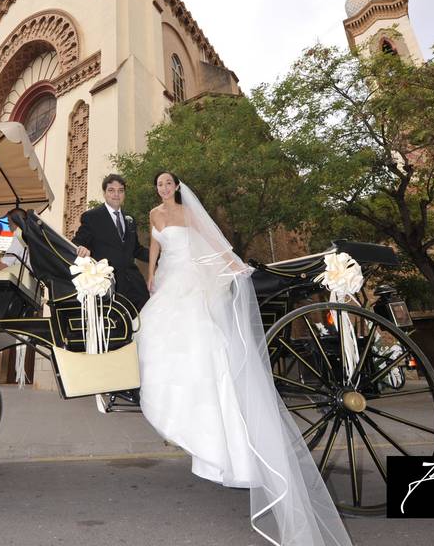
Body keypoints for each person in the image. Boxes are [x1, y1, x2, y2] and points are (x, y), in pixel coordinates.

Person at [136, 171, 352, 546]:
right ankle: (173, 393)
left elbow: (211, 244)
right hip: (169, 278)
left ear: (178, 187)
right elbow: (155, 247)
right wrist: (151, 275)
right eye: (160, 185)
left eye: (169, 184)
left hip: (191, 278)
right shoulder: (154, 215)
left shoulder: (189, 214)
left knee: (197, 336)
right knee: (154, 326)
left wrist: (235, 265)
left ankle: (197, 395)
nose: (165, 189)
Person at [73, 173, 150, 310]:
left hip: (135, 284)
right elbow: (77, 242)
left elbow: (136, 249)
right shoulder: (92, 217)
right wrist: (81, 248)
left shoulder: (130, 219)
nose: (116, 194)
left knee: (146, 319)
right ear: (104, 193)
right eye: (111, 190)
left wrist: (161, 256)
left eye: (120, 191)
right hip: (109, 286)